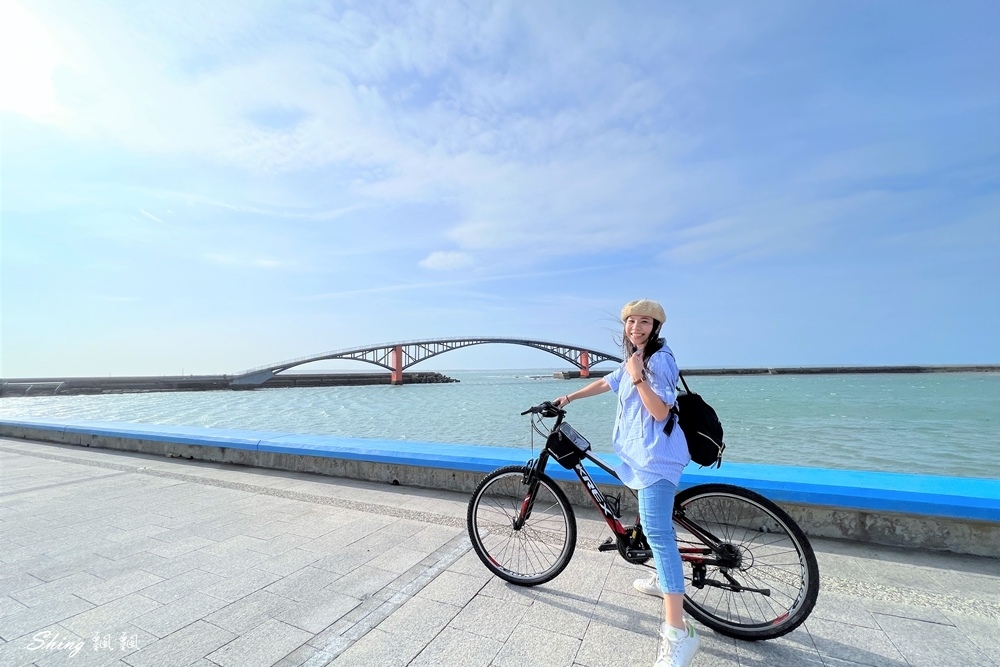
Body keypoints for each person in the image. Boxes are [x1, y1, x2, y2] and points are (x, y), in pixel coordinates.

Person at [553, 299, 699, 667]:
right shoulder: (637, 357)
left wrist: (637, 373)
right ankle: (659, 578)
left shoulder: (657, 360)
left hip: (656, 458)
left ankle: (678, 634)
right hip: (640, 456)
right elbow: (607, 381)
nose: (636, 327)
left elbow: (660, 411)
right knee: (652, 527)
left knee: (659, 536)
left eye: (644, 322)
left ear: (656, 326)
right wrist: (568, 396)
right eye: (631, 321)